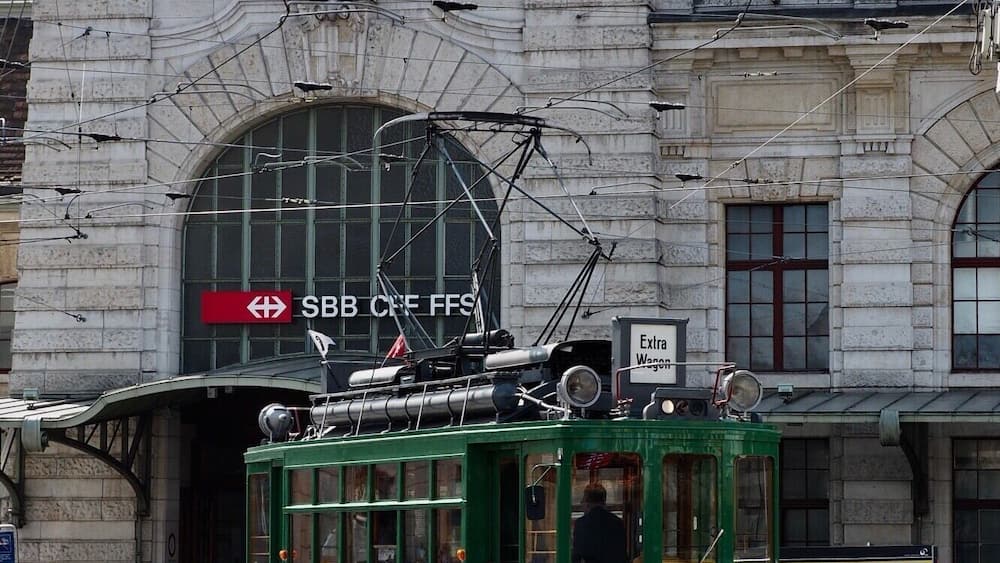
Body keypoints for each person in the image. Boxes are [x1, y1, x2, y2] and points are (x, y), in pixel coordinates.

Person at [571, 482, 628, 563]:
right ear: (604, 501)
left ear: (587, 502)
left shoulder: (581, 524)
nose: (581, 503)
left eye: (583, 500)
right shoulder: (618, 523)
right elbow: (622, 554)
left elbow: (577, 555)